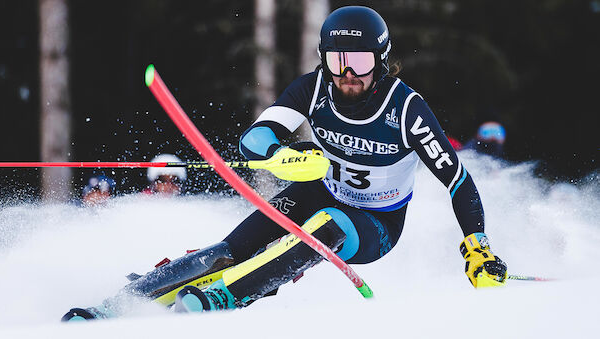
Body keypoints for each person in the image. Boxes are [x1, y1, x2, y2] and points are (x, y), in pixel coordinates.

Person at [62, 6, 507, 321]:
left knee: (325, 227)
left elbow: (457, 179)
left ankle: (225, 297)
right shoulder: (313, 89)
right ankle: (120, 303)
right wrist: (283, 156)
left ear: (382, 61)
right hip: (318, 191)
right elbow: (255, 138)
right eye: (337, 60)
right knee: (226, 251)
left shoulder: (406, 109)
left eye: (360, 61)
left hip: (375, 222)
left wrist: (477, 245)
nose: (347, 73)